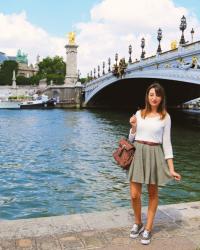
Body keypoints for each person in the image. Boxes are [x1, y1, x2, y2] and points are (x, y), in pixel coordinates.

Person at [128, 83, 181, 245]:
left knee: (152, 194)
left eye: (157, 95)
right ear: (147, 96)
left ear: (161, 98)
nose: (154, 97)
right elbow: (130, 139)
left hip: (154, 153)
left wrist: (171, 169)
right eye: (151, 94)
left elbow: (167, 143)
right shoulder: (139, 113)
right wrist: (133, 127)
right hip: (138, 153)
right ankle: (138, 222)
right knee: (134, 194)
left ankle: (148, 229)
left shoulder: (165, 117)